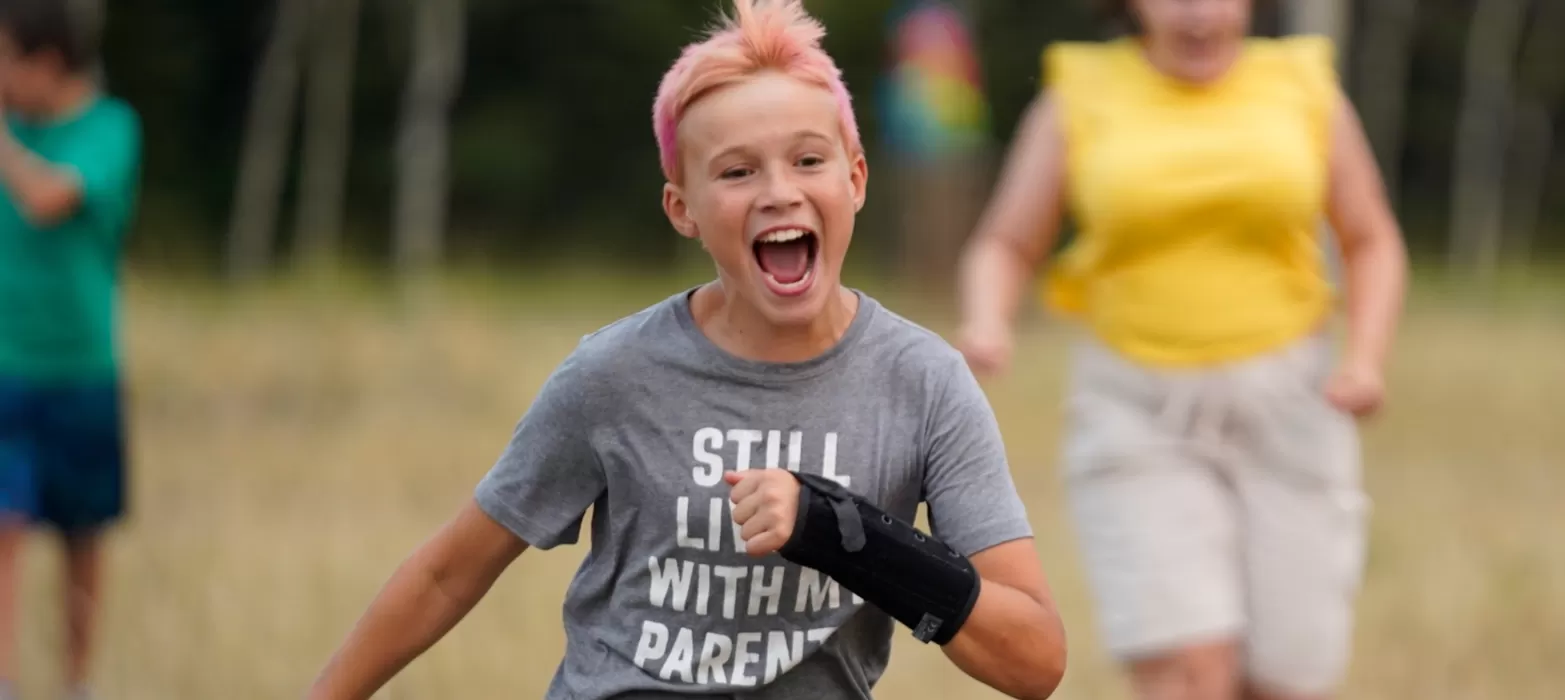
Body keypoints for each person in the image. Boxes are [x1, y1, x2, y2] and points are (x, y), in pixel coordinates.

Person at [307, 2, 1067, 699]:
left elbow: (1035, 660)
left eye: (808, 161)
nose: (779, 192)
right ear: (684, 209)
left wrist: (848, 537)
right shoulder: (612, 375)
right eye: (737, 172)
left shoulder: (925, 383)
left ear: (856, 179)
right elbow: (448, 573)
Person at [954, 0, 1409, 699]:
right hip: (1137, 411)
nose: (1198, 13)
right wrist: (988, 321)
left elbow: (1370, 237)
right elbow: (1007, 242)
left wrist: (1365, 359)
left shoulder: (1302, 83)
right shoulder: (1080, 91)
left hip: (1292, 405)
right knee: (1191, 674)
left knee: (1288, 677)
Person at [0, 0, 141, 697]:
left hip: (84, 368)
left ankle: (75, 686)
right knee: (4, 529)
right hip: (6, 365)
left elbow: (49, 198)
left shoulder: (111, 128)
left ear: (46, 60)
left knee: (82, 538)